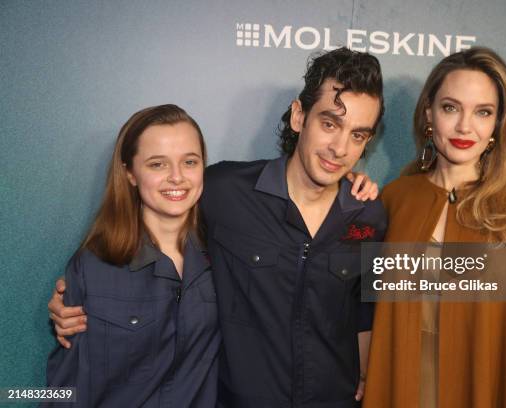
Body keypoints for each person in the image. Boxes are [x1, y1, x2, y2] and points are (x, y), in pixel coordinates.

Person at [48, 47, 387, 407]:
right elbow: (163, 203)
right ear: (300, 116)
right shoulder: (224, 190)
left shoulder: (369, 214)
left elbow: (365, 309)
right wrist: (80, 291)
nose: (339, 148)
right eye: (330, 123)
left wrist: (366, 376)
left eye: (358, 135)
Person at [362, 47, 506, 407]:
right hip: (403, 388)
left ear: (498, 123)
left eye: (483, 112)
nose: (465, 126)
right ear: (429, 112)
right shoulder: (395, 199)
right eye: (451, 108)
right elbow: (364, 310)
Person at [44, 105, 221, 407]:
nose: (177, 177)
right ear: (130, 173)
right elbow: (63, 390)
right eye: (157, 164)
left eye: (189, 161)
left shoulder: (226, 254)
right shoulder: (94, 265)